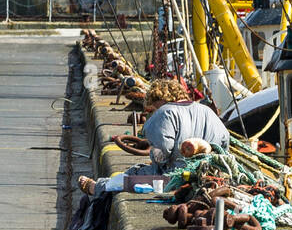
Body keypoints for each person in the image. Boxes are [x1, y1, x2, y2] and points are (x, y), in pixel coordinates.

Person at [78, 78, 231, 197]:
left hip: (177, 178)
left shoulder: (164, 113)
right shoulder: (207, 111)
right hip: (211, 177)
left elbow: (162, 154)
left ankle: (97, 187)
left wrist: (154, 155)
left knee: (134, 175)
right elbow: (224, 143)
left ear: (158, 101)